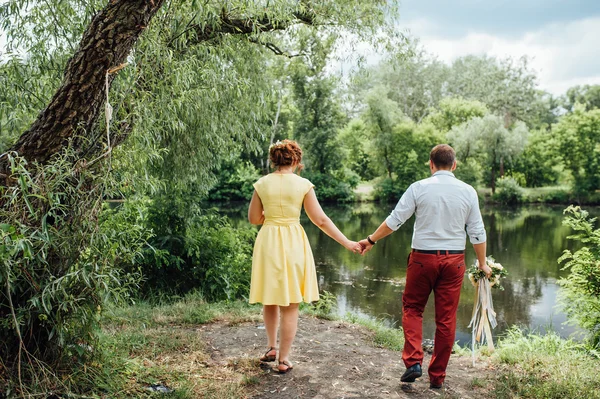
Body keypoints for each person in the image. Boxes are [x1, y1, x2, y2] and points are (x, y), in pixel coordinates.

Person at [358, 144, 492, 389]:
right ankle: (437, 377)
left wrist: (370, 240)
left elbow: (395, 220)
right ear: (454, 165)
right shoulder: (468, 191)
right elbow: (477, 231)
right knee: (446, 319)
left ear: (431, 164)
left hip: (422, 259)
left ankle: (413, 363)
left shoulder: (418, 188)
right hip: (454, 261)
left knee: (413, 308)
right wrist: (482, 264)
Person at [248, 139, 362, 374]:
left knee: (270, 297)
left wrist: (271, 218)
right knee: (290, 304)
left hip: (268, 240)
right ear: (296, 160)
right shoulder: (303, 185)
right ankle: (283, 359)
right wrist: (348, 242)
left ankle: (271, 347)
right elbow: (320, 220)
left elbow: (253, 218)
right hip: (292, 241)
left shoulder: (261, 184)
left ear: (273, 160)